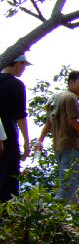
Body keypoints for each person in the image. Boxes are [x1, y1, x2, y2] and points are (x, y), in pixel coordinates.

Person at [35, 70, 79, 203]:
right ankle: (53, 212)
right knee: (69, 185)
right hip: (71, 146)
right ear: (71, 82)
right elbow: (73, 121)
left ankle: (77, 210)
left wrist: (40, 140)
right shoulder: (71, 98)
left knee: (69, 183)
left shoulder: (55, 97)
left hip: (58, 147)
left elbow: (49, 123)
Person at [0, 53, 31, 202]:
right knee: (9, 178)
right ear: (17, 63)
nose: (24, 68)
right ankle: (7, 212)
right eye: (24, 64)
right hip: (8, 137)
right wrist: (26, 141)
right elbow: (20, 116)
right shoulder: (16, 84)